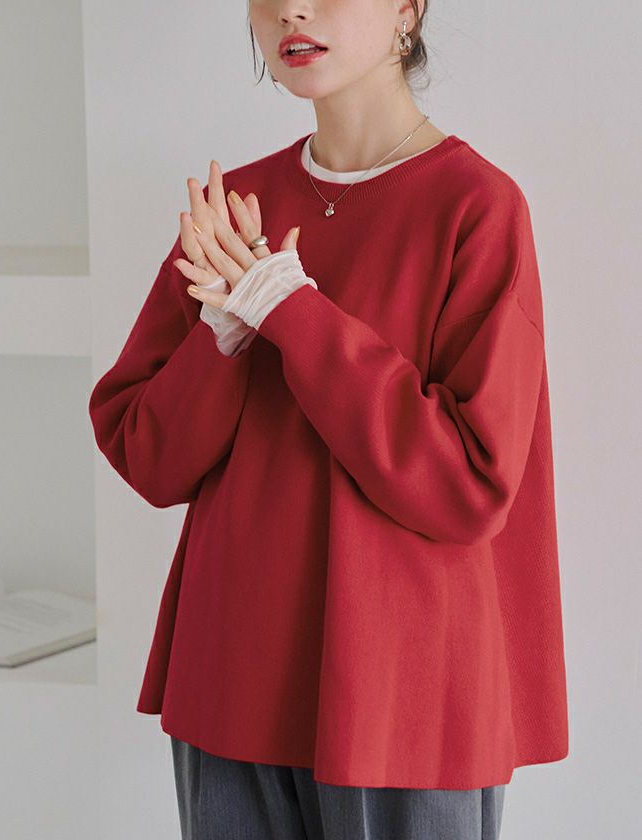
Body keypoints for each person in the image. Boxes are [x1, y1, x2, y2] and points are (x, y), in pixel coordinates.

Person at [88, 1, 569, 838]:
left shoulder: (476, 206)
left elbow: (471, 482)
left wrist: (295, 314)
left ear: (408, 9)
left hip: (405, 697)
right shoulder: (238, 211)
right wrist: (221, 339)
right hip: (232, 677)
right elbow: (146, 455)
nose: (292, 9)